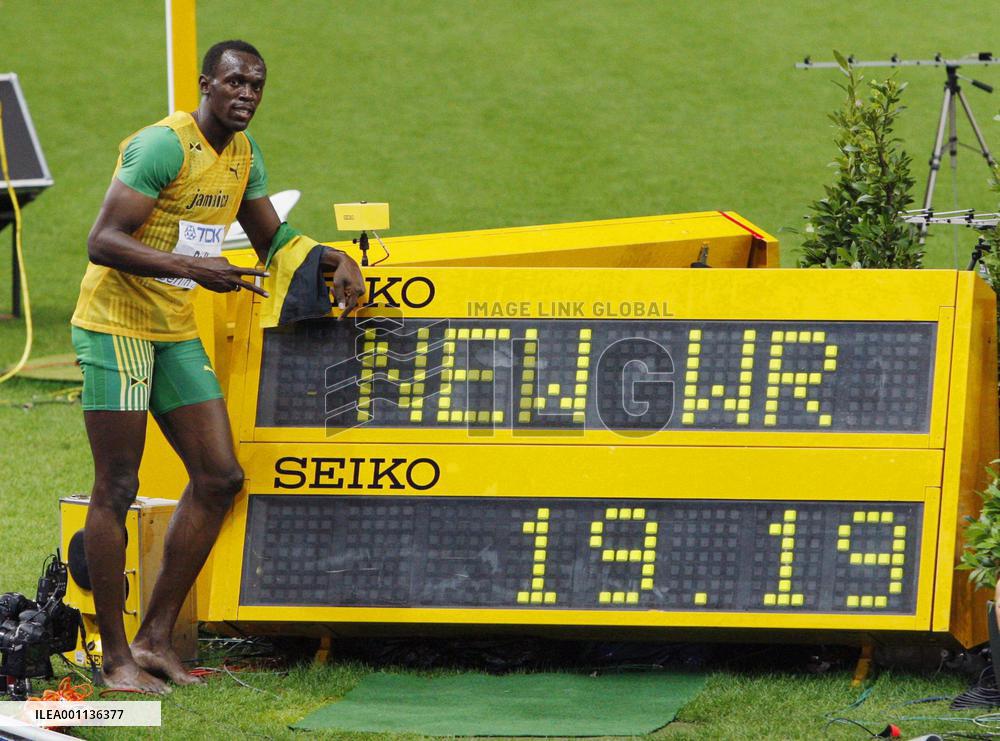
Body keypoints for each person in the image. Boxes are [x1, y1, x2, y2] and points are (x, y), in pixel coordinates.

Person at [70, 40, 365, 693]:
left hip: (171, 330)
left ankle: (154, 637)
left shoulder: (243, 156)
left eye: (257, 85)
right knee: (116, 485)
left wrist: (334, 257)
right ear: (206, 82)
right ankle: (115, 659)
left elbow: (274, 241)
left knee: (219, 475)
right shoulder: (162, 147)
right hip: (114, 326)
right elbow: (102, 240)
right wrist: (194, 268)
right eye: (235, 81)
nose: (247, 94)